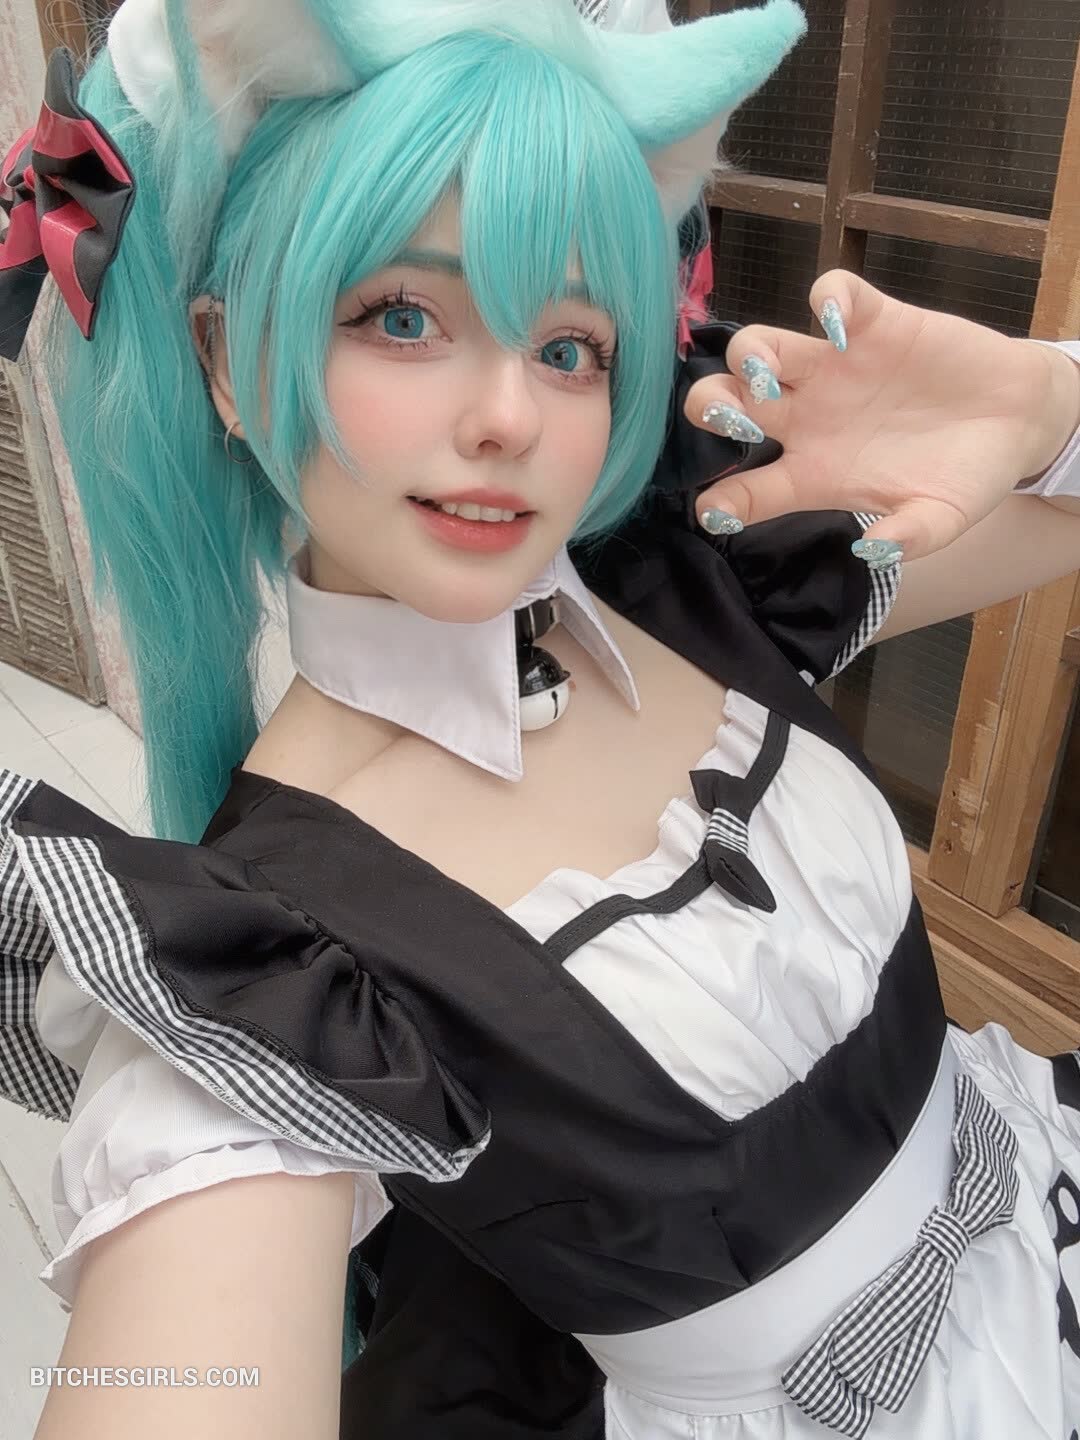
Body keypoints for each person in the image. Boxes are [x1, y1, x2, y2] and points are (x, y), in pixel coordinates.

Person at [1, 2, 1080, 1438]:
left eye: (569, 344)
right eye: (403, 317)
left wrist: (1046, 405)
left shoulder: (696, 578)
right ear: (222, 358)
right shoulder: (273, 954)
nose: (510, 415)